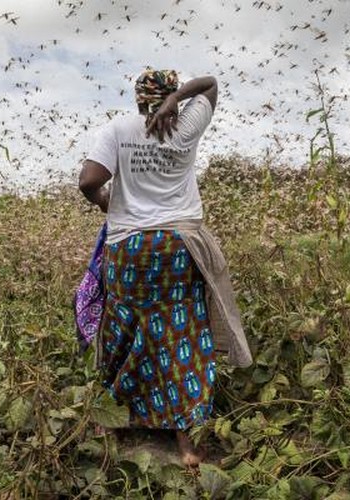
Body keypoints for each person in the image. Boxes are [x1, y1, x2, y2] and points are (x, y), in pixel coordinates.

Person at [78, 69, 251, 467]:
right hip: (177, 247)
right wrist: (179, 100)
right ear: (170, 96)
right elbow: (210, 83)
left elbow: (89, 181)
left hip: (129, 250)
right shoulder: (185, 124)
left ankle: (113, 422)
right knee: (181, 332)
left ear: (138, 98)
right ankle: (187, 444)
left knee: (122, 326)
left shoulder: (118, 129)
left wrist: (109, 204)